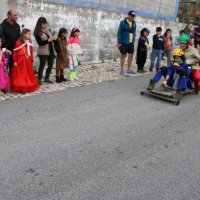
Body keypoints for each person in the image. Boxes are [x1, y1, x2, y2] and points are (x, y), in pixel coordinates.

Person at [10, 28, 39, 93]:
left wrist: (31, 59)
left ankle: (26, 85)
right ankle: (20, 86)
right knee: (20, 74)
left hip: (27, 61)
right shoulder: (18, 42)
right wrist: (15, 61)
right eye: (28, 34)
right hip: (20, 61)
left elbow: (30, 52)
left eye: (30, 34)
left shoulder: (29, 42)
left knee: (27, 74)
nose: (30, 36)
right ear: (24, 34)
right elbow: (15, 52)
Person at [34, 17, 57, 85]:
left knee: (50, 65)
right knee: (42, 66)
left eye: (46, 23)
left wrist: (53, 38)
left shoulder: (47, 31)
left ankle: (47, 78)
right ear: (41, 23)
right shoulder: (37, 32)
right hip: (43, 52)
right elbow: (40, 43)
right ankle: (39, 79)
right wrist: (49, 40)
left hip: (51, 50)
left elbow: (50, 40)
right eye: (45, 23)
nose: (46, 24)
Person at [117, 10, 137, 75]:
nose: (132, 18)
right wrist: (119, 42)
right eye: (131, 16)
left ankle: (128, 69)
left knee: (131, 56)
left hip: (131, 42)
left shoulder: (134, 23)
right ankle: (122, 69)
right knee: (123, 55)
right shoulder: (122, 23)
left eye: (133, 17)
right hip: (124, 42)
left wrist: (134, 39)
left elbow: (134, 32)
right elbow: (119, 33)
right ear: (128, 15)